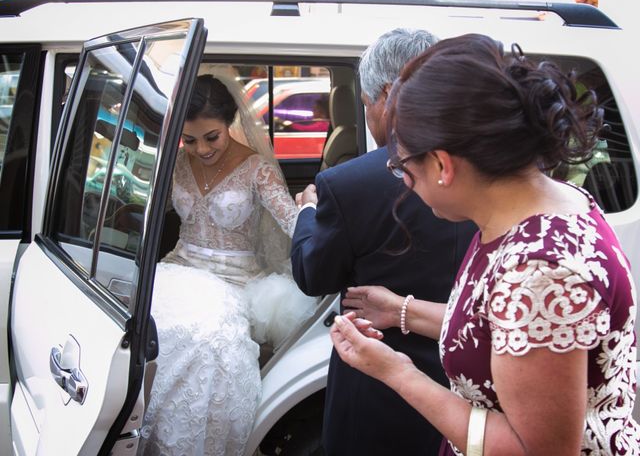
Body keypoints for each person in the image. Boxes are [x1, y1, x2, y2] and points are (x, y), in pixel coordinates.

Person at [331, 33, 640, 455]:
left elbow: (533, 451)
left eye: (403, 166)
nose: (403, 181)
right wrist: (401, 311)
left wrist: (397, 371)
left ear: (442, 165)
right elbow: (501, 327)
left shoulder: (540, 270)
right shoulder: (542, 205)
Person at [290, 28, 476, 455]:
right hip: (466, 383)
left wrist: (306, 211)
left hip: (375, 384)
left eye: (366, 101)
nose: (368, 114)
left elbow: (313, 273)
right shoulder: (483, 168)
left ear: (390, 95)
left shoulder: (347, 183)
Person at [139, 72, 317, 456]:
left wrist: (312, 208)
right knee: (141, 324)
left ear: (230, 123)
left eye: (211, 137)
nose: (201, 149)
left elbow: (292, 221)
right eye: (189, 140)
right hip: (178, 267)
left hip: (233, 281)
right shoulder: (176, 162)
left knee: (207, 340)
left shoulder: (257, 170)